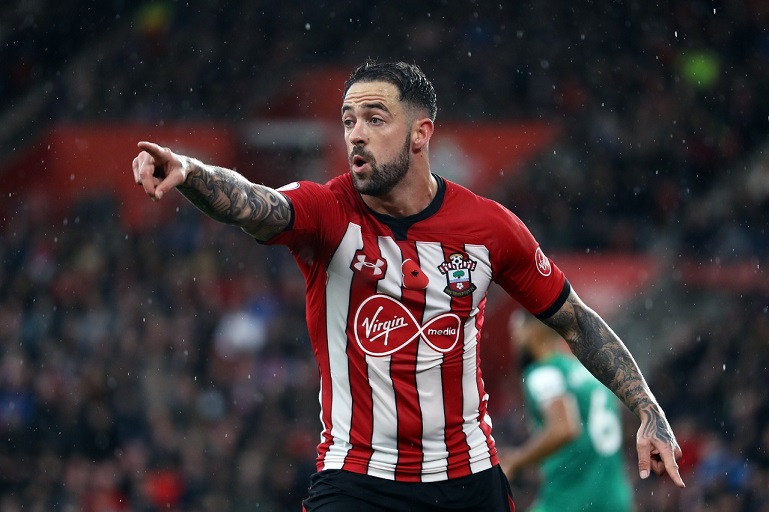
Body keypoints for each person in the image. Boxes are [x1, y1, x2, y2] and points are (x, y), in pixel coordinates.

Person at [131, 60, 684, 511]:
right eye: (348, 121)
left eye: (375, 118)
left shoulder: (490, 228)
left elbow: (574, 319)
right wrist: (192, 172)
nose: (357, 135)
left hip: (469, 480)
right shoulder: (326, 210)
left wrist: (649, 410)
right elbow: (257, 202)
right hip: (357, 479)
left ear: (421, 133)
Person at [503, 309, 635, 512]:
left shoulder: (543, 373)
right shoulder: (586, 372)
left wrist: (516, 461)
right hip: (615, 498)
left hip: (571, 500)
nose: (514, 339)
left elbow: (564, 428)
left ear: (533, 333)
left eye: (517, 331)